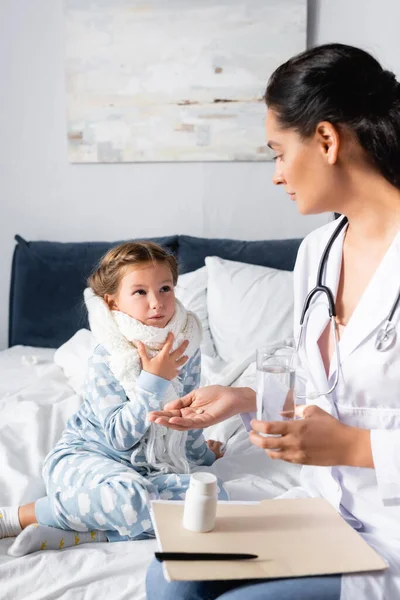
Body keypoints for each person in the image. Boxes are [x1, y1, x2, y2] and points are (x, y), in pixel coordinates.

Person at [146, 43, 400, 600]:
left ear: (327, 141)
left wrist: (357, 449)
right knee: (170, 577)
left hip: (393, 536)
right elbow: (324, 393)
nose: (276, 174)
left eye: (278, 152)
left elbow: (353, 428)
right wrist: (240, 399)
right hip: (326, 512)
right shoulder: (317, 253)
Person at [0, 241, 227, 556]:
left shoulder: (187, 346)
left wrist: (203, 456)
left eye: (165, 288)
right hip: (88, 459)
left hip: (146, 469)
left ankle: (75, 534)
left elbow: (185, 418)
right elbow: (119, 437)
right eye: (140, 292)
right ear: (114, 302)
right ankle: (15, 517)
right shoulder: (108, 355)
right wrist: (154, 381)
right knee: (130, 497)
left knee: (214, 500)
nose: (156, 303)